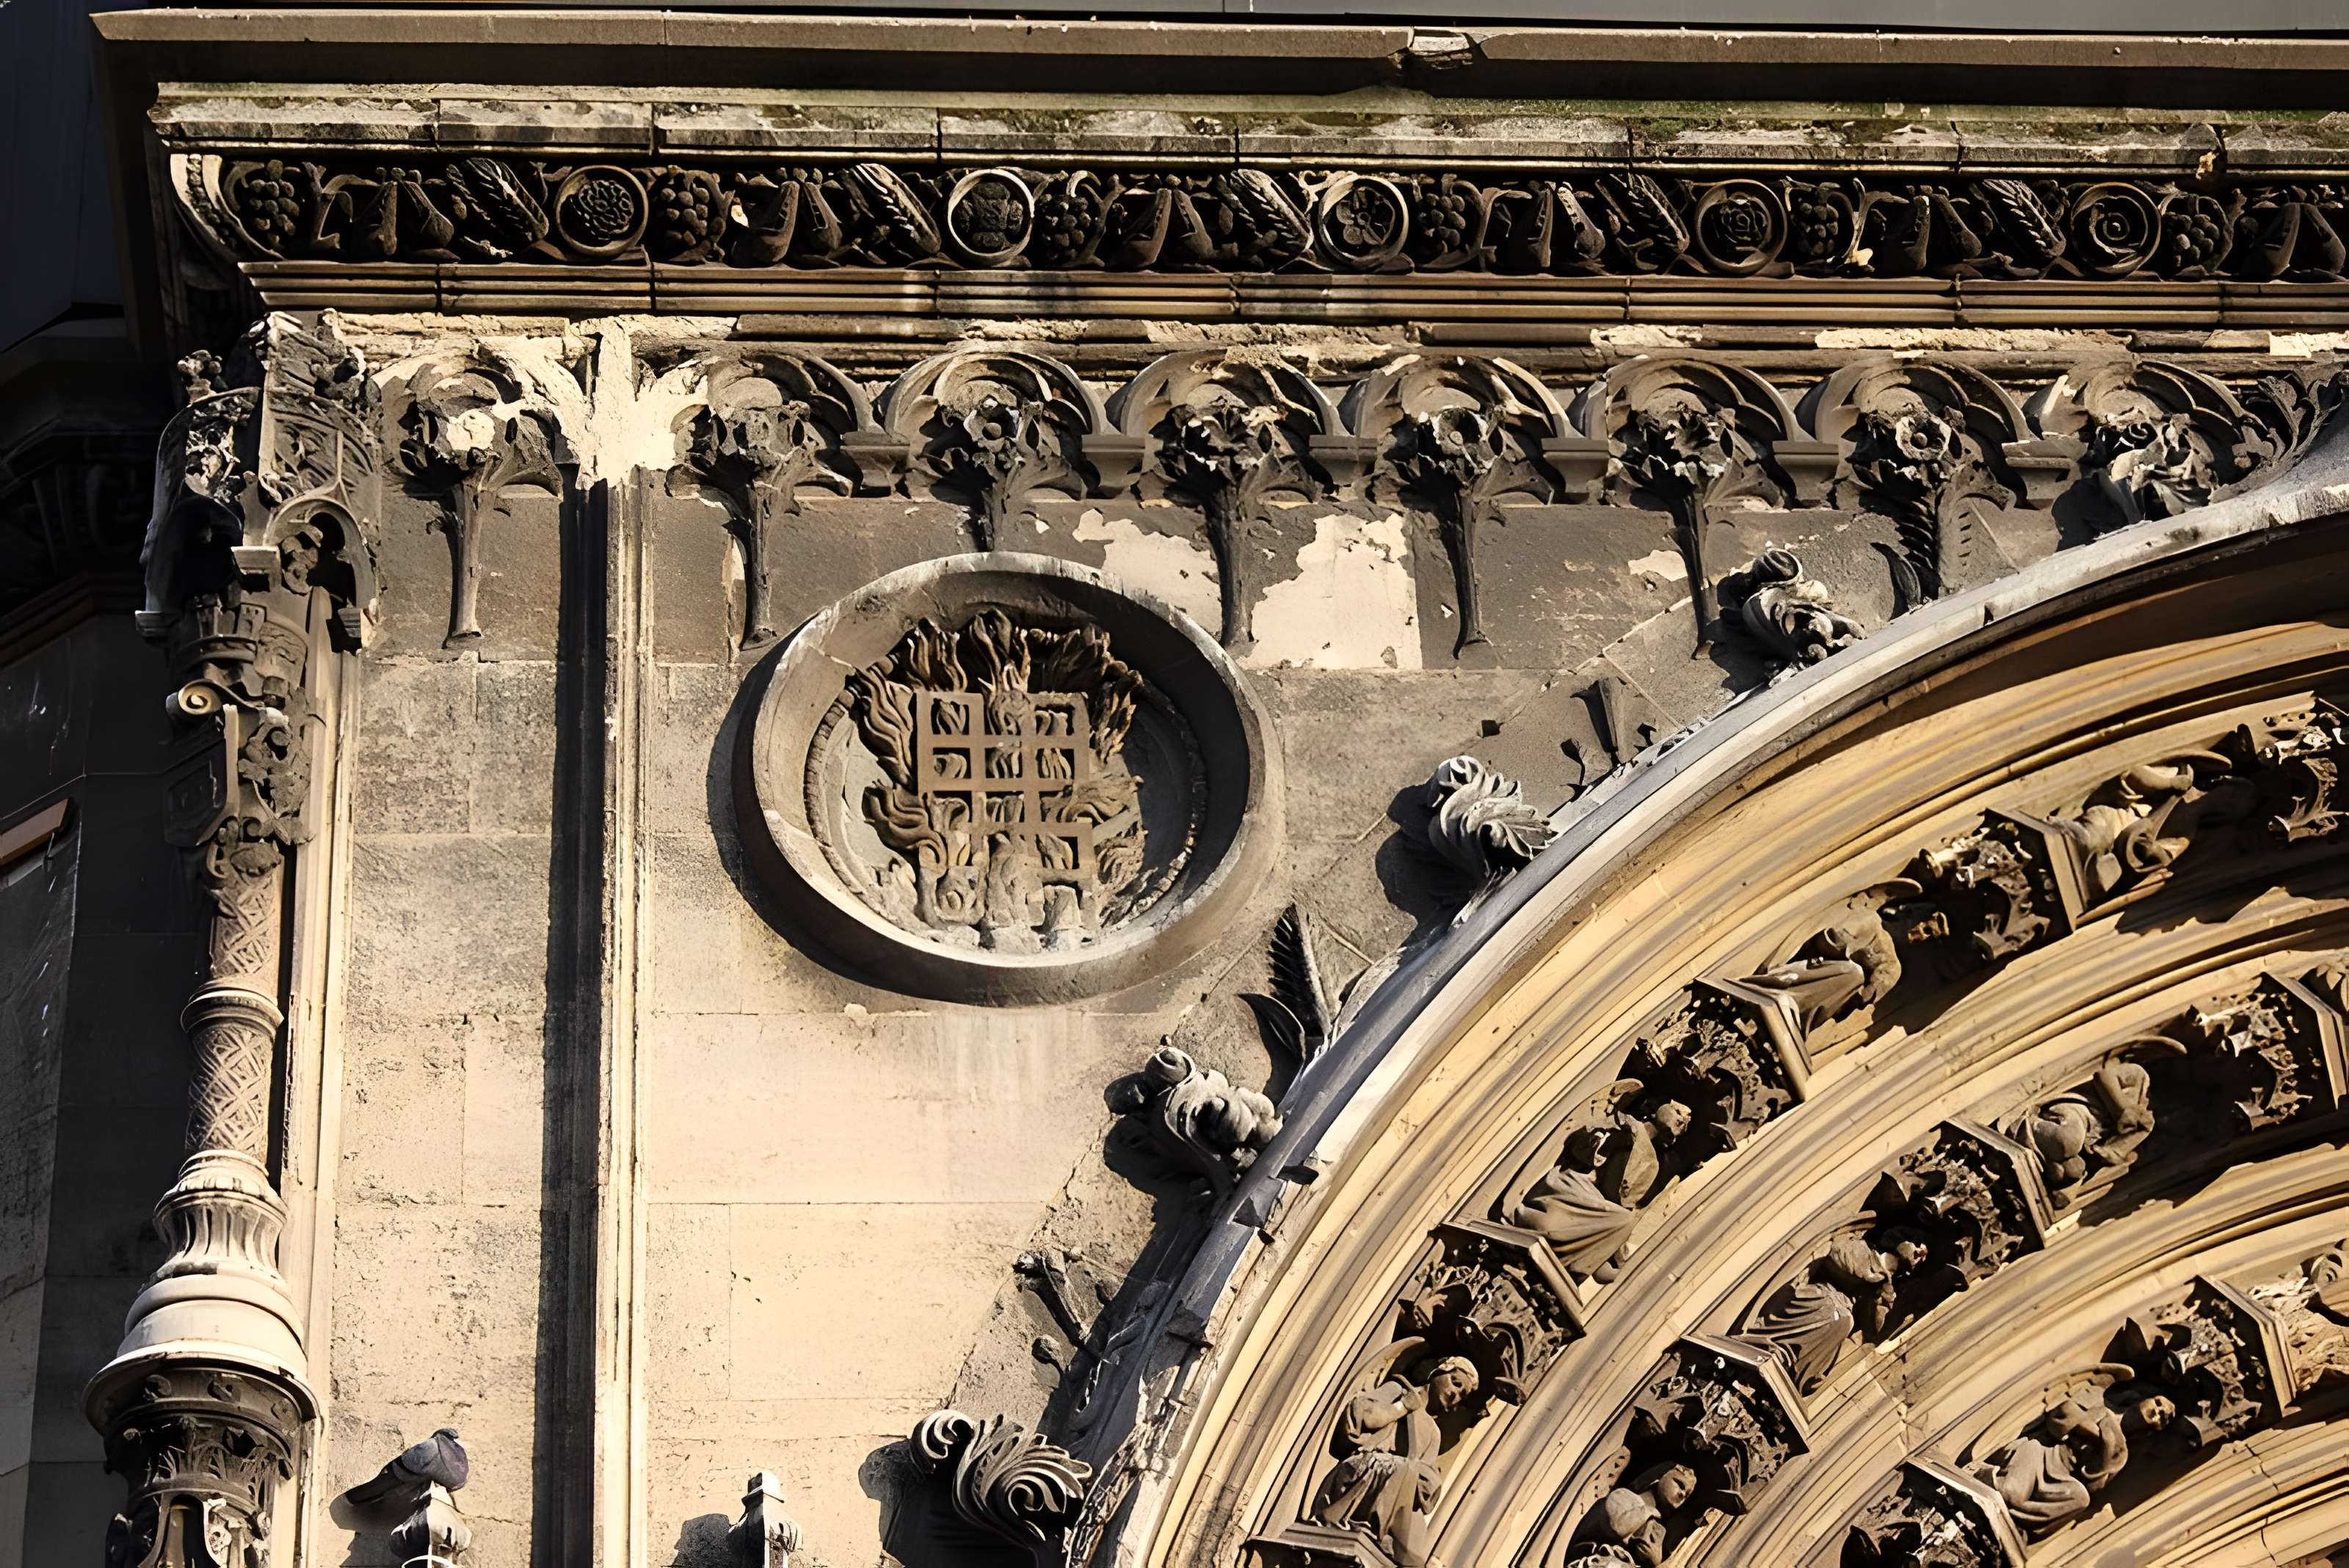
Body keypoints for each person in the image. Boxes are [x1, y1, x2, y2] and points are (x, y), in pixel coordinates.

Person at [1313, 1356, 1481, 1567]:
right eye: (1455, 1383)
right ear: (1439, 1371)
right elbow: (1365, 1418)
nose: (1456, 1394)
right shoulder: (1397, 1391)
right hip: (1361, 1471)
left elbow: (1429, 1487)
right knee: (1402, 1472)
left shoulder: (1433, 1432)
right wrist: (1403, 1406)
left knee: (1413, 1504)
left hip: (1397, 1484)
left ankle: (1396, 1550)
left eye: (1462, 1395)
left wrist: (1423, 1477)